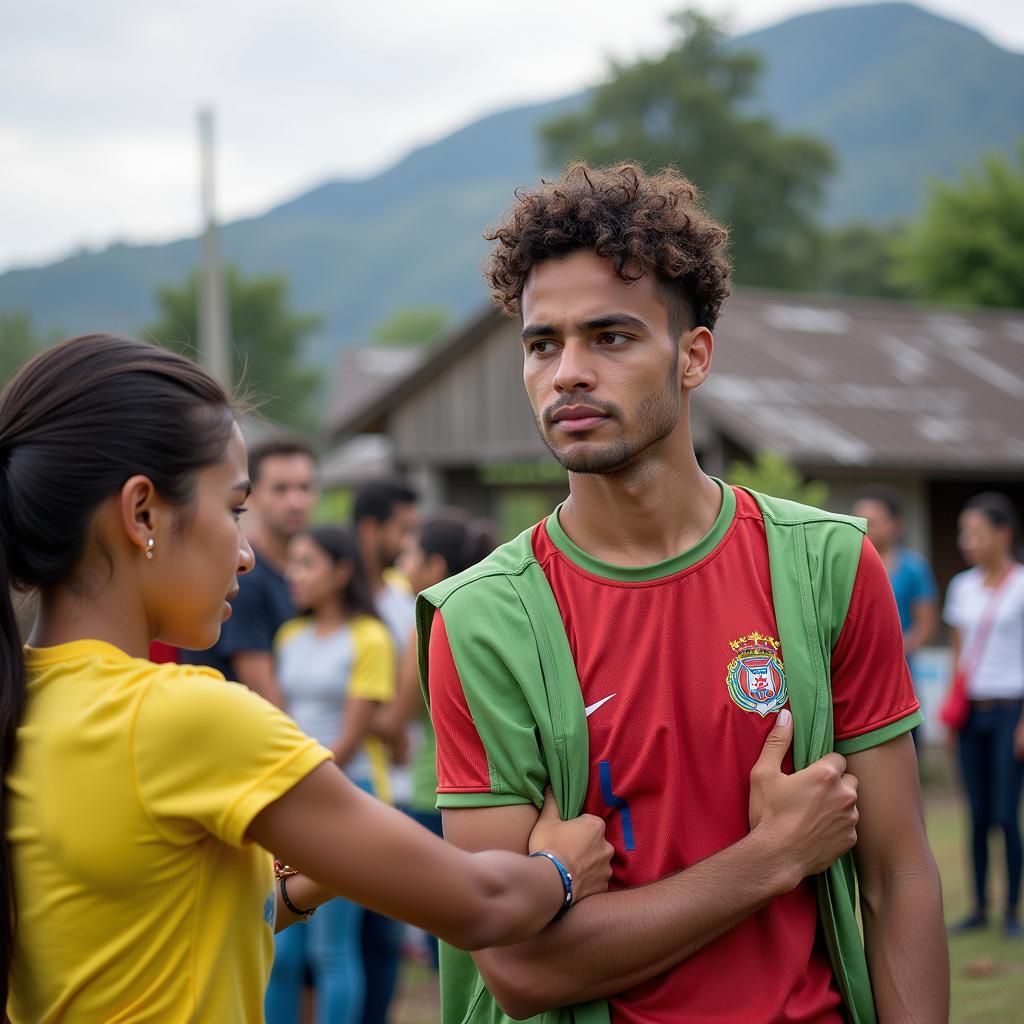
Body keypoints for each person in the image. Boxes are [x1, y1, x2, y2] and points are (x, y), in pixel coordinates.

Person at [419, 163, 948, 1024]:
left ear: (693, 355)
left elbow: (898, 876)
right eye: (542, 343)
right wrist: (772, 856)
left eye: (612, 337)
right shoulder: (482, 621)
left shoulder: (827, 567)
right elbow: (520, 973)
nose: (568, 374)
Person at [0, 334, 614, 1022]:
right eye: (235, 509)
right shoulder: (184, 716)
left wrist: (301, 888)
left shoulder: (25, 702)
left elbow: (142, 933)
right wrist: (561, 871)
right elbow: (478, 904)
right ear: (142, 512)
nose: (245, 555)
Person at [266, 525, 397, 1024]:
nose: (292, 574)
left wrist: (293, 780)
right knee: (280, 949)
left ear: (342, 573)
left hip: (348, 793)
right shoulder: (289, 636)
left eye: (307, 563)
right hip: (292, 793)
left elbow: (351, 736)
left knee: (332, 949)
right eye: (292, 562)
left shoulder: (369, 637)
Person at [379, 511, 498, 969]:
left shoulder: (429, 620)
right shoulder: (486, 612)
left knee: (445, 937)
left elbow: (399, 714)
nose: (401, 565)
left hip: (438, 789)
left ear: (434, 566)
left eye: (409, 556)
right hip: (490, 787)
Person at [180, 436, 318, 707]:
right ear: (251, 496)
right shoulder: (242, 576)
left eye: (305, 488)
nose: (296, 501)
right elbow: (265, 696)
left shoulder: (308, 576)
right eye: (281, 489)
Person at [350, 479, 419, 1023]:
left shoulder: (401, 600)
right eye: (401, 528)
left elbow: (405, 694)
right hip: (360, 776)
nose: (405, 540)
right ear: (371, 529)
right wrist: (386, 722)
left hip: (392, 778)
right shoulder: (339, 596)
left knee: (381, 934)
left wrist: (390, 723)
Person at [943, 492, 1024, 939]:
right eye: (963, 532)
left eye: (976, 532)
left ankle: (1011, 910)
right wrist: (953, 718)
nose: (966, 540)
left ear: (1003, 534)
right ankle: (978, 908)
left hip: (1012, 709)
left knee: (1006, 815)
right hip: (971, 714)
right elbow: (958, 657)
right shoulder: (962, 587)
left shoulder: (1020, 585)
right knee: (975, 815)